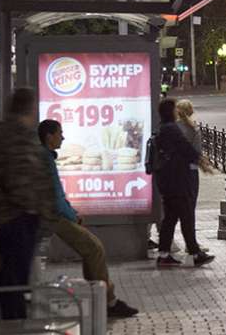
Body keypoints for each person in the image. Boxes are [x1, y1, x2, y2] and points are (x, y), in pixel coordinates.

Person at [37, 120, 139, 318]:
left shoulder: (45, 156)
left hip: (55, 213)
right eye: (60, 133)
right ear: (49, 137)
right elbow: (55, 196)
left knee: (92, 249)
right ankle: (108, 302)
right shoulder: (44, 159)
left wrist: (71, 212)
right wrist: (72, 216)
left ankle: (102, 298)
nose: (63, 137)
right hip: (53, 216)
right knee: (93, 248)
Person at [0, 87, 58, 320]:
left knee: (7, 272)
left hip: (2, 216)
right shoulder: (17, 133)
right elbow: (19, 179)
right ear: (30, 107)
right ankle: (13, 320)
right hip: (15, 218)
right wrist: (36, 209)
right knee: (14, 276)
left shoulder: (1, 131)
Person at [153, 98, 214, 267]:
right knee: (186, 215)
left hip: (167, 181)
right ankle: (195, 253)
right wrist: (201, 161)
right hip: (178, 180)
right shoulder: (171, 129)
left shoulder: (163, 128)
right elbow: (185, 147)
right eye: (173, 109)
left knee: (170, 218)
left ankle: (164, 254)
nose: (175, 112)